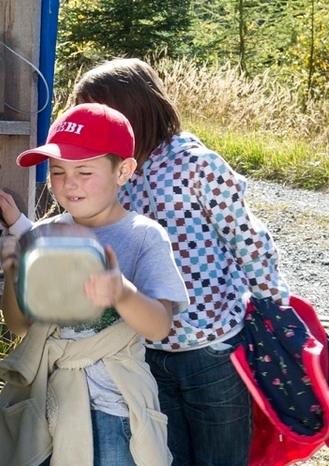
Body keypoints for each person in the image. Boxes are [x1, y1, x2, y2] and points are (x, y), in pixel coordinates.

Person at [72, 58, 290, 466]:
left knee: (221, 456)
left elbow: (246, 237)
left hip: (211, 346)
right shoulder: (117, 173)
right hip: (148, 346)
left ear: (134, 110)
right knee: (167, 455)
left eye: (101, 113)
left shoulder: (196, 163)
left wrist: (274, 305)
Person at [0, 103, 189, 466]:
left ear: (123, 171)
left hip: (116, 412)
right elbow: (20, 325)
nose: (69, 183)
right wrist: (13, 275)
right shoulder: (44, 235)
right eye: (58, 171)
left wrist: (121, 293)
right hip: (49, 404)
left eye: (84, 171)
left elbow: (159, 326)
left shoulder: (143, 236)